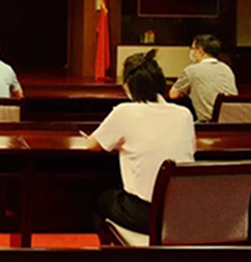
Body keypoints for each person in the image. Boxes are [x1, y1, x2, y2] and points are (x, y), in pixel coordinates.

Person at [88, 50, 195, 234]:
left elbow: (92, 145)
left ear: (129, 85)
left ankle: (113, 247)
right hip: (181, 213)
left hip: (144, 212)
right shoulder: (184, 114)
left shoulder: (124, 111)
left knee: (102, 200)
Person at [169, 34, 238, 122]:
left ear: (200, 51)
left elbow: (173, 95)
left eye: (193, 49)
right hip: (232, 122)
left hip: (207, 123)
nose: (191, 53)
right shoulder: (226, 69)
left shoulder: (191, 70)